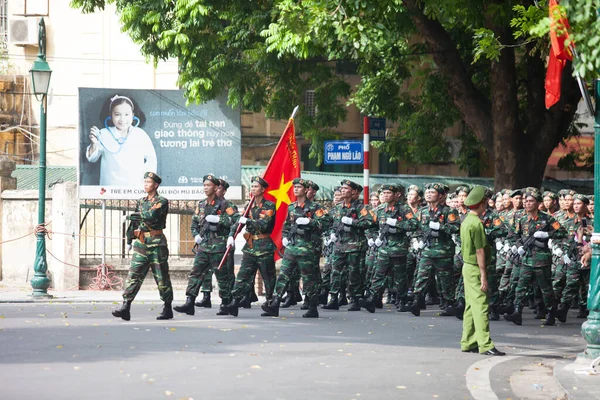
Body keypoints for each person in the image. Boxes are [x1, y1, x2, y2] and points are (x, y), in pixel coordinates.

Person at [173, 175, 240, 316]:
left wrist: (220, 220)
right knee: (195, 273)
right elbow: (194, 223)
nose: (205, 187)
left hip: (219, 246)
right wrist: (196, 235)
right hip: (204, 246)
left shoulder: (225, 205)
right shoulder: (201, 204)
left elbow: (236, 220)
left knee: (222, 277)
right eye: (204, 185)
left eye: (208, 185)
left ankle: (226, 303)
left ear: (216, 188)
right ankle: (189, 302)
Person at [262, 178, 329, 318]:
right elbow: (287, 225)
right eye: (295, 187)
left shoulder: (315, 207)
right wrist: (285, 237)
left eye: (299, 187)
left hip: (307, 247)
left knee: (309, 278)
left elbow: (326, 223)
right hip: (292, 247)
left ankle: (312, 306)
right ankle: (275, 303)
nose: (296, 189)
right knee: (284, 274)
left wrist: (309, 221)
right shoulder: (291, 207)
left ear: (306, 190)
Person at [112, 172, 173, 321]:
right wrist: (129, 239)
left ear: (156, 185)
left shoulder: (162, 201)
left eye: (148, 182)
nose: (145, 184)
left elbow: (150, 216)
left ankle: (167, 307)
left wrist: (131, 215)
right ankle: (126, 306)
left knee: (161, 276)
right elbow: (136, 223)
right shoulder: (141, 201)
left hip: (156, 243)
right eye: (144, 181)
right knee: (133, 275)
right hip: (141, 243)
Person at [459, 186, 505, 356]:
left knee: (471, 306)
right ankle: (485, 344)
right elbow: (480, 251)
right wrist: (484, 276)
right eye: (486, 201)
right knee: (481, 306)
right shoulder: (477, 223)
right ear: (482, 203)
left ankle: (468, 341)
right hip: (475, 268)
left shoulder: (466, 221)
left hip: (467, 267)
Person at [228, 176, 277, 317]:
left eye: (256, 186)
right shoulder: (250, 205)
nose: (253, 189)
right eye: (252, 186)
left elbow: (264, 225)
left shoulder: (269, 206)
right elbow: (238, 223)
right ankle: (234, 301)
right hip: (250, 247)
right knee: (243, 275)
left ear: (262, 189)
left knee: (268, 278)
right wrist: (232, 235)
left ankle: (270, 303)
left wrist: (248, 221)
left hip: (264, 247)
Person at [86, 94, 157, 186]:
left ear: (133, 115)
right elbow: (92, 158)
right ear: (111, 116)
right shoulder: (103, 134)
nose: (122, 119)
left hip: (135, 185)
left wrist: (147, 180)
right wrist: (94, 143)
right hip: (110, 185)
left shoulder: (140, 134)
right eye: (117, 114)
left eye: (127, 114)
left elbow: (151, 160)